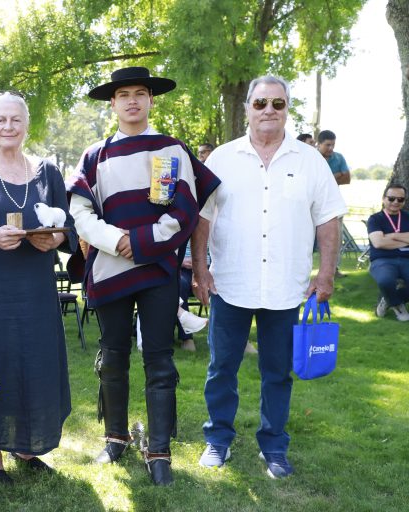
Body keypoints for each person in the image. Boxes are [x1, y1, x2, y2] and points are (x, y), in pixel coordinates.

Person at [67, 66, 219, 485]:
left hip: (156, 271)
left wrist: (145, 241)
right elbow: (80, 212)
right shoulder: (95, 156)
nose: (132, 100)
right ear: (112, 103)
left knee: (159, 359)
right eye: (123, 94)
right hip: (111, 268)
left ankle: (160, 452)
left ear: (151, 101)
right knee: (113, 356)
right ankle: (114, 438)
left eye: (140, 93)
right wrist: (119, 242)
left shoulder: (171, 150)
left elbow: (186, 210)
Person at [192, 75, 346, 479]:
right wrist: (201, 270)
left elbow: (329, 219)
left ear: (286, 110)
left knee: (277, 372)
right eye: (260, 104)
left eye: (277, 104)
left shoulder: (309, 160)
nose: (268, 112)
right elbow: (202, 219)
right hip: (230, 283)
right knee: (222, 368)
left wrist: (326, 273)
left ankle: (274, 446)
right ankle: (218, 440)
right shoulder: (221, 158)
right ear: (247, 108)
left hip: (287, 288)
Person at [0, 91, 77, 484]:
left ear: (26, 125)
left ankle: (27, 447)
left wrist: (54, 240)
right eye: (0, 120)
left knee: (36, 363)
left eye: (15, 120)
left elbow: (67, 225)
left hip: (36, 286)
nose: (8, 127)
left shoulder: (48, 173)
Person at [367, 183, 409, 321]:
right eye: (391, 198)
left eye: (400, 199)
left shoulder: (407, 217)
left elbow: (384, 240)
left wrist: (391, 236)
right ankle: (397, 305)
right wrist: (406, 239)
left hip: (406, 259)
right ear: (384, 199)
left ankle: (388, 299)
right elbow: (378, 243)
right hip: (382, 260)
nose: (396, 202)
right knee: (385, 281)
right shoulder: (375, 219)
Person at [317, 129, 350, 277]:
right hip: (312, 205)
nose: (331, 148)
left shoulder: (339, 158)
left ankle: (334, 270)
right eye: (327, 145)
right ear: (319, 144)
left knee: (335, 238)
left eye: (333, 145)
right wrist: (335, 176)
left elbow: (347, 179)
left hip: (332, 204)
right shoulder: (311, 157)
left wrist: (326, 178)